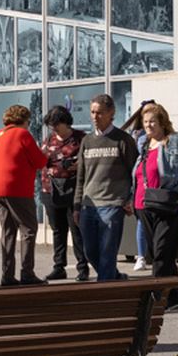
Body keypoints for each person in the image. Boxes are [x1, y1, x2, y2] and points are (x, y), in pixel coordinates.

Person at [132, 103, 178, 311]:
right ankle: (174, 294)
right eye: (145, 122)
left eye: (152, 121)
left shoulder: (177, 141)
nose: (148, 126)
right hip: (144, 204)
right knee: (158, 254)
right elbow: (138, 175)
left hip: (170, 204)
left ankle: (157, 298)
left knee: (162, 252)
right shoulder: (143, 143)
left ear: (163, 121)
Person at [73, 93, 138, 282]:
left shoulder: (123, 140)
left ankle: (105, 292)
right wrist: (77, 206)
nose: (94, 116)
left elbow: (134, 172)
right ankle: (114, 276)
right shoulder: (87, 141)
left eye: (99, 113)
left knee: (108, 252)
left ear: (111, 113)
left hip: (112, 203)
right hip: (89, 203)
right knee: (90, 251)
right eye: (92, 112)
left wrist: (130, 198)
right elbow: (81, 176)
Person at [0, 105, 47, 286]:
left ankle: (7, 275)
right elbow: (39, 161)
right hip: (16, 189)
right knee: (28, 229)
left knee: (7, 232)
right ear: (24, 120)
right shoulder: (22, 134)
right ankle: (27, 273)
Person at [39, 106, 90, 281]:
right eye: (51, 125)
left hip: (73, 190)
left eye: (56, 124)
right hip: (51, 190)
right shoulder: (48, 140)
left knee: (76, 230)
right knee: (58, 230)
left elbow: (90, 161)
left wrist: (79, 165)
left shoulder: (80, 139)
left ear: (65, 122)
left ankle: (83, 267)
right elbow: (41, 161)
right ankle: (59, 266)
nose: (53, 128)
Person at [121, 101, 154, 272]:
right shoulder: (139, 137)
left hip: (155, 185)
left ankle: (149, 255)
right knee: (142, 221)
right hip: (140, 184)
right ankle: (142, 256)